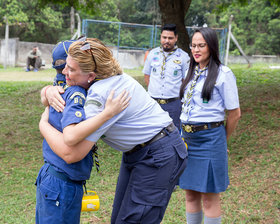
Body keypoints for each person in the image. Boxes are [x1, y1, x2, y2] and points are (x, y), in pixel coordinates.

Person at [40, 37, 188, 224]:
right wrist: (47, 92)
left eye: (70, 69)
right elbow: (57, 89)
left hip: (159, 155)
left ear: (91, 75)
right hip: (139, 152)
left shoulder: (103, 94)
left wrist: (43, 125)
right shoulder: (105, 77)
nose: (64, 72)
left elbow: (71, 152)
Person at [36, 39, 129, 224]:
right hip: (61, 180)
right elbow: (71, 141)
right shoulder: (75, 91)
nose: (63, 74)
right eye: (65, 68)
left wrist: (46, 93)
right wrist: (108, 113)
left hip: (54, 176)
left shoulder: (63, 86)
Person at [179, 27, 241, 224]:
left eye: (201, 45)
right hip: (187, 140)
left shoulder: (224, 74)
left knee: (209, 197)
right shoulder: (192, 71)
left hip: (210, 140)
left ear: (211, 46)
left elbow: (235, 113)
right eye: (193, 45)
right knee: (190, 194)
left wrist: (222, 140)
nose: (196, 50)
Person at [143, 24, 190, 130]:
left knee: (174, 133)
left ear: (176, 38)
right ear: (161, 37)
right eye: (164, 37)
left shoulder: (183, 57)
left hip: (173, 104)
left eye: (170, 38)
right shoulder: (152, 54)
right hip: (153, 103)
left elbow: (185, 80)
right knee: (151, 132)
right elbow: (147, 76)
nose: (167, 41)